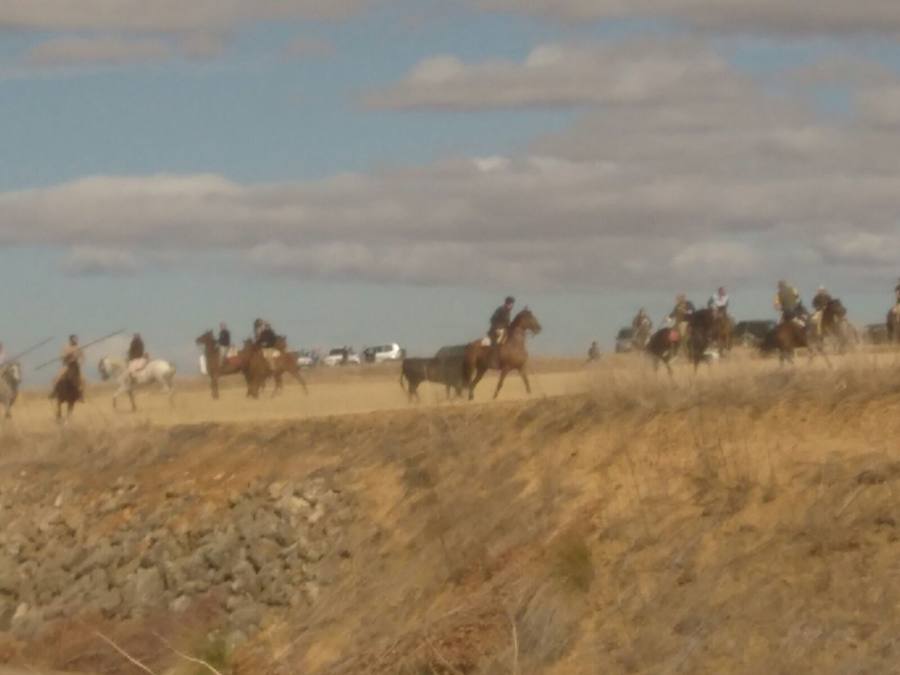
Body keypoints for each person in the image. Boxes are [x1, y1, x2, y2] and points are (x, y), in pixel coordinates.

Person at [52, 335, 85, 401]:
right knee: (57, 378)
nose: (75, 341)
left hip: (76, 366)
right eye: (74, 339)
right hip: (67, 365)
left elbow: (83, 357)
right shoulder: (66, 348)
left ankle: (81, 395)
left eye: (76, 339)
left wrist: (80, 363)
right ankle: (54, 392)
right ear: (71, 340)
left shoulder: (79, 348)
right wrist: (67, 355)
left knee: (83, 380)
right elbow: (62, 357)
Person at [488, 296, 515, 366]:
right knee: (496, 343)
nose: (512, 306)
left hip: (504, 330)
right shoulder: (500, 309)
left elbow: (507, 323)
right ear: (507, 303)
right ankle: (492, 360)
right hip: (496, 330)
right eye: (511, 304)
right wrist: (496, 329)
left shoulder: (508, 311)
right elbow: (492, 319)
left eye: (512, 304)